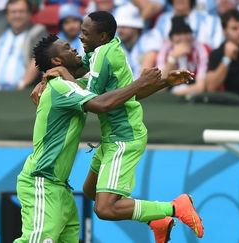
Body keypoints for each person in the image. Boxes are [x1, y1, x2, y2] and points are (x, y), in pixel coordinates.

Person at [15, 35, 165, 243]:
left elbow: (118, 95)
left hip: (60, 188)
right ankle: (168, 210)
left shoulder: (71, 84)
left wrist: (164, 82)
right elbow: (102, 104)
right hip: (42, 181)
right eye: (67, 47)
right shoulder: (60, 86)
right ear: (57, 61)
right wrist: (140, 82)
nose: (75, 49)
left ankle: (159, 216)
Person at [78, 11, 204, 243]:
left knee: (104, 209)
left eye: (86, 33)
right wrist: (164, 82)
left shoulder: (104, 54)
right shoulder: (105, 48)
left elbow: (96, 104)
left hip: (123, 137)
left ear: (103, 36)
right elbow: (130, 94)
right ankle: (156, 219)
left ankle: (175, 207)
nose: (80, 37)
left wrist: (57, 80)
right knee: (89, 192)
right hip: (111, 136)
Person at [0, 0, 47, 90]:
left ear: (29, 13)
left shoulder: (38, 32)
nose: (17, 16)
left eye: (21, 12)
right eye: (13, 12)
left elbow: (37, 58)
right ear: (7, 15)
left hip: (23, 91)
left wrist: (22, 84)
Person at [157, 16, 210, 96]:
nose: (183, 37)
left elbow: (200, 87)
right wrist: (173, 58)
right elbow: (159, 88)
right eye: (178, 33)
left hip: (192, 95)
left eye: (186, 33)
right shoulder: (165, 49)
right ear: (171, 38)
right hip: (170, 93)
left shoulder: (199, 49)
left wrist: (176, 93)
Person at [115, 3, 161, 79]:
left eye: (125, 26)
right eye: (119, 26)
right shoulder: (115, 43)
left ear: (136, 27)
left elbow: (144, 76)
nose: (120, 30)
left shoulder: (150, 38)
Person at [153, 0, 224, 49]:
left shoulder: (212, 21)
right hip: (169, 68)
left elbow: (217, 50)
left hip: (203, 67)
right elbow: (154, 48)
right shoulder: (163, 20)